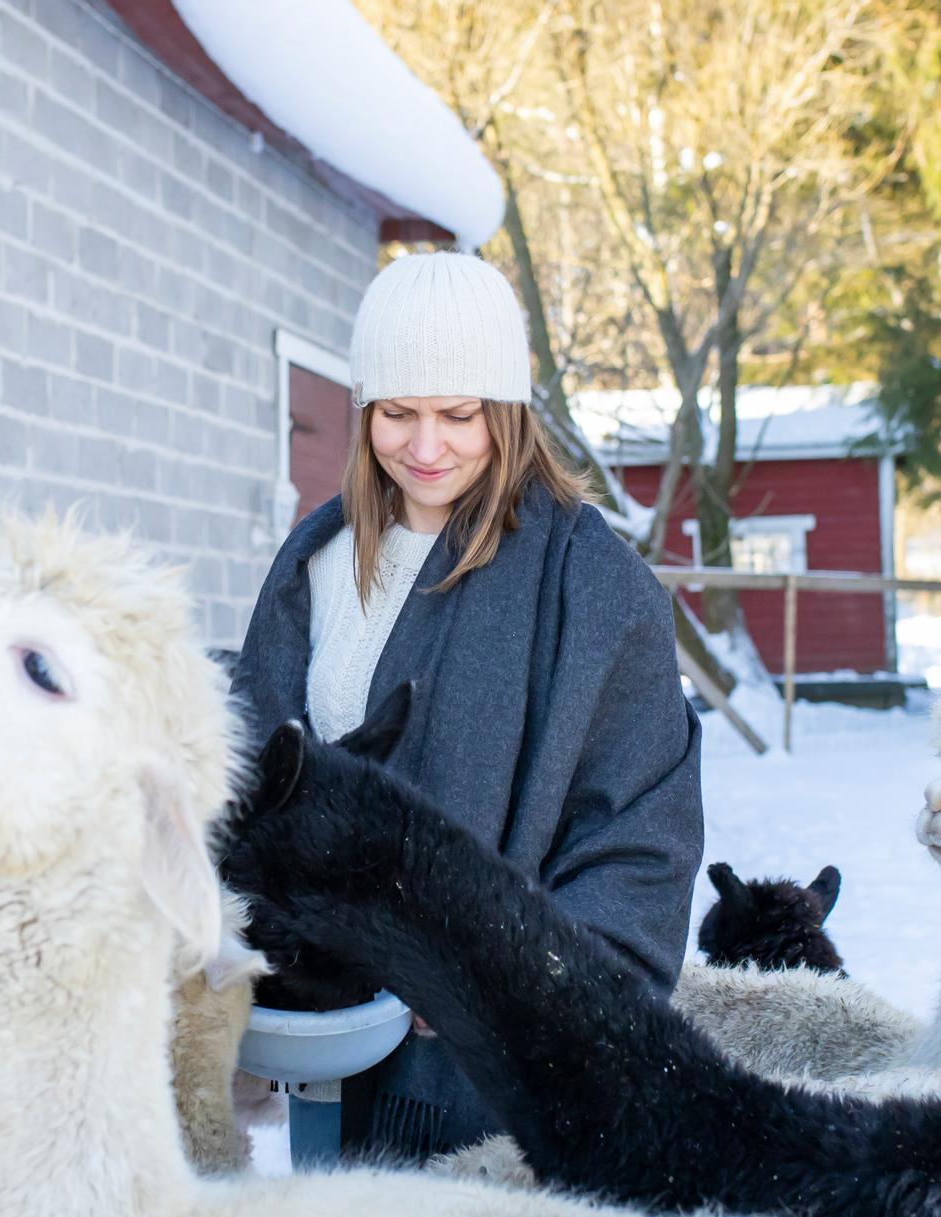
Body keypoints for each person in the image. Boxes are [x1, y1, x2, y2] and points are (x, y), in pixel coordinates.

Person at [232, 250, 703, 1162]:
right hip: (318, 1040)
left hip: (482, 1089)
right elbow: (256, 773)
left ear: (509, 414)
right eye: (397, 414)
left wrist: (488, 971)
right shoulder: (313, 564)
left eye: (459, 415)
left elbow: (639, 840)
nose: (425, 447)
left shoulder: (594, 590)